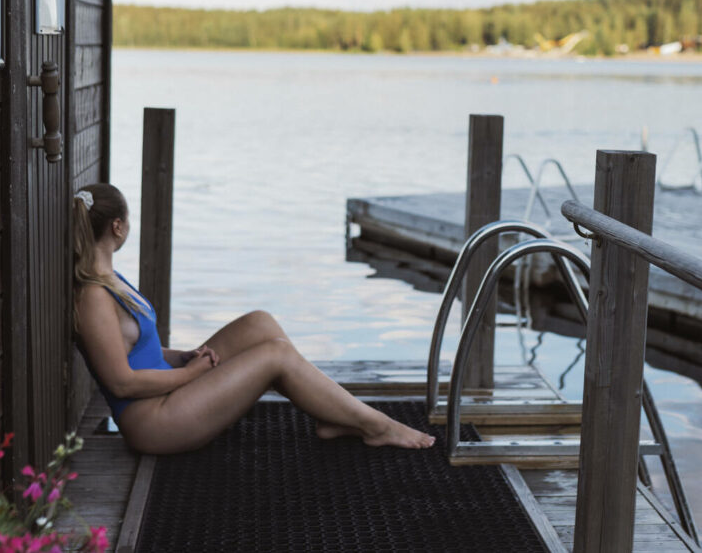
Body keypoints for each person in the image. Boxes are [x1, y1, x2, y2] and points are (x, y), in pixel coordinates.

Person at [70, 183, 435, 454]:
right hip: (154, 423)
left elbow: (137, 348)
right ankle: (376, 426)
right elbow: (121, 383)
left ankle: (332, 414)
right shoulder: (94, 298)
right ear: (117, 227)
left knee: (260, 323)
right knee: (275, 354)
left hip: (168, 389)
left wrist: (181, 356)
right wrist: (190, 374)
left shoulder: (110, 280)